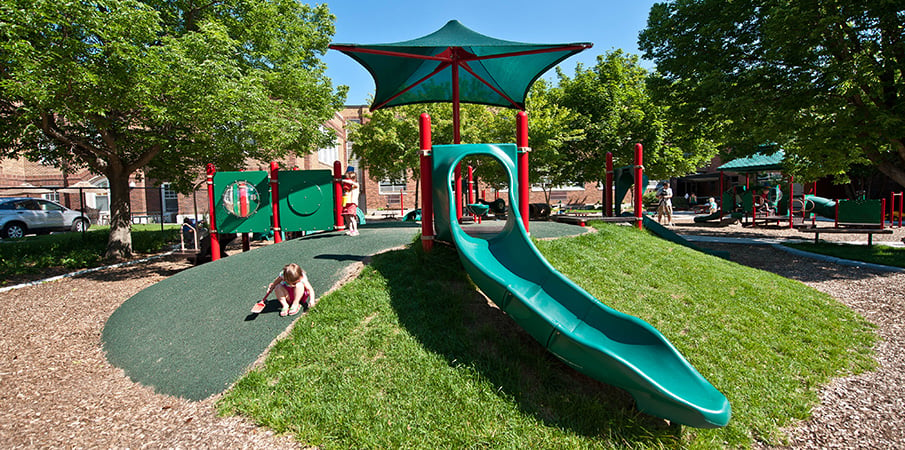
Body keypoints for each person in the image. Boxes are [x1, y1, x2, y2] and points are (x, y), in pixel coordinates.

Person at [341, 172, 360, 236]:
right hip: (347, 202)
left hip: (352, 203)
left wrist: (342, 180)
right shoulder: (347, 187)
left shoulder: (356, 185)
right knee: (347, 217)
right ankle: (350, 229)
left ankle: (355, 230)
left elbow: (352, 183)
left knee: (352, 217)